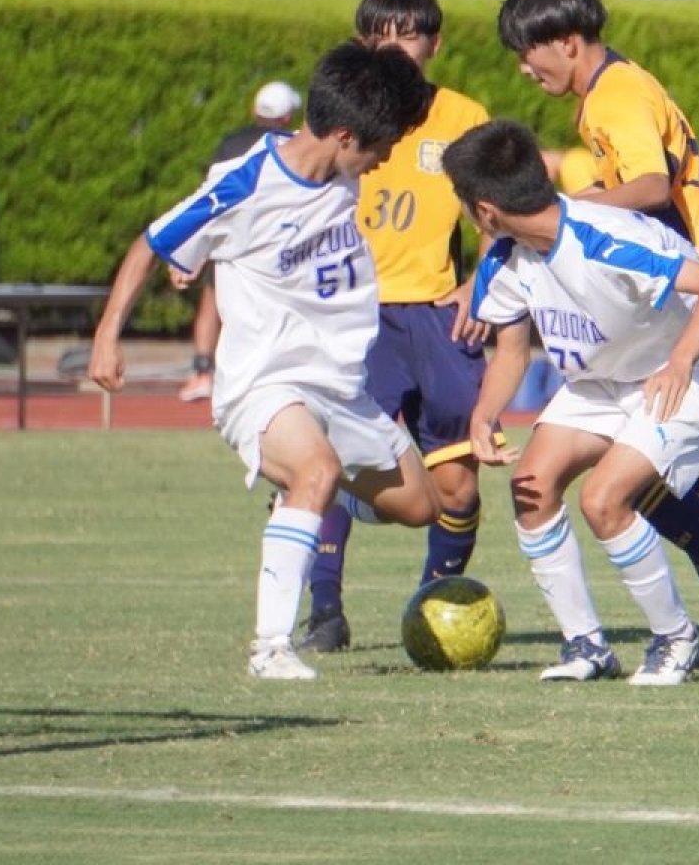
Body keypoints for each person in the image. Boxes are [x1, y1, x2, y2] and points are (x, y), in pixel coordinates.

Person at [88, 40, 441, 682]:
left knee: (421, 505)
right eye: (379, 145)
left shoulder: (344, 168)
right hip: (264, 384)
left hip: (341, 387)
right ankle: (270, 647)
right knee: (316, 470)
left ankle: (306, 500)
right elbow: (152, 242)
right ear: (341, 135)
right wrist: (108, 334)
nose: (385, 157)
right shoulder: (244, 185)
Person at [496, 0, 699, 668]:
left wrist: (570, 211)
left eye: (527, 55)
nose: (525, 71)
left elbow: (651, 185)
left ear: (563, 40)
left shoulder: (614, 95)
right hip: (689, 285)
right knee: (655, 474)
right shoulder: (614, 86)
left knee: (644, 477)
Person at [442, 120, 699, 684]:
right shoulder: (505, 259)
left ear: (484, 209)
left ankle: (673, 639)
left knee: (605, 500)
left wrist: (679, 361)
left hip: (692, 364)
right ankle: (586, 646)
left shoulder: (601, 241)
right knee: (532, 485)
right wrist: (484, 416)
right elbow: (510, 351)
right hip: (607, 374)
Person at [300, 0, 496, 653]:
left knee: (456, 487)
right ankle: (324, 609)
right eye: (380, 34)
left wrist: (481, 284)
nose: (395, 45)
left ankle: (433, 605)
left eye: (408, 33)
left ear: (434, 43)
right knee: (324, 459)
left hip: (437, 321)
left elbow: (495, 218)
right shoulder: (339, 118)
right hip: (354, 317)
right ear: (362, 44)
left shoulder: (464, 118)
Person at [178, 80, 303, 403]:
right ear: (287, 116)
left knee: (211, 300)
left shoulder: (230, 144)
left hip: (229, 237)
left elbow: (210, 195)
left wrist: (196, 250)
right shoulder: (291, 143)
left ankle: (202, 371)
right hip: (274, 240)